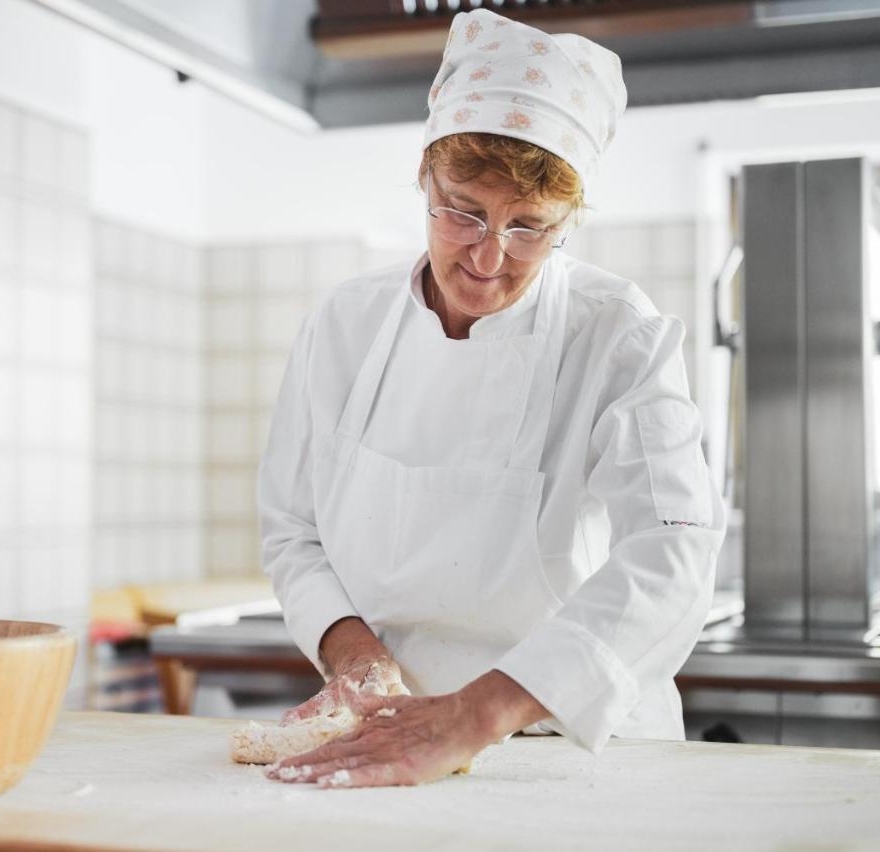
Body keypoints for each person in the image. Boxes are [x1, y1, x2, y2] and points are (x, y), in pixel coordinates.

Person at [257, 7, 725, 789]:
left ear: (568, 221)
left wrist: (477, 714)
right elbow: (292, 529)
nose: (488, 255)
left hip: (571, 750)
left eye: (530, 227)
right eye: (462, 210)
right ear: (424, 178)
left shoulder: (617, 335)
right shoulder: (344, 326)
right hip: (391, 734)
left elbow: (674, 549)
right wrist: (356, 656)